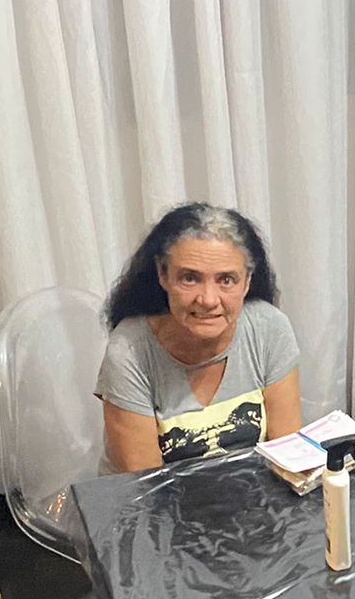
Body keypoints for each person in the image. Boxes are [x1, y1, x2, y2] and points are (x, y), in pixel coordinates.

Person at [97, 203, 302, 473]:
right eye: (190, 278)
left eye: (226, 280)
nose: (208, 299)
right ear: (163, 274)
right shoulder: (129, 350)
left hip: (251, 493)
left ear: (247, 281)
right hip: (155, 496)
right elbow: (145, 484)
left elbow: (287, 457)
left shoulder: (269, 327)